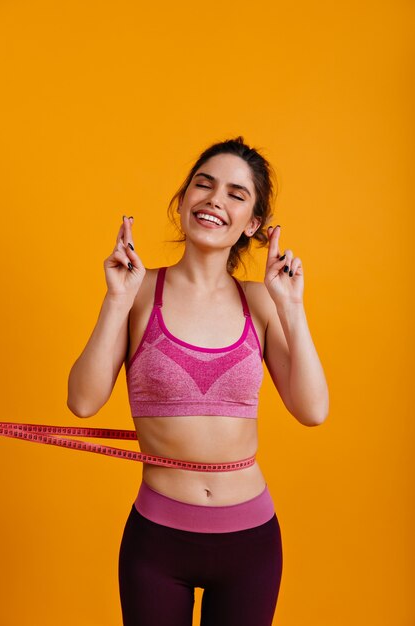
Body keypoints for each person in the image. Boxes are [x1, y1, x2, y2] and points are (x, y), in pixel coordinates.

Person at [67, 136, 329, 626]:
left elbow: (313, 410)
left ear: (253, 223)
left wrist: (292, 308)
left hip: (251, 541)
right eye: (203, 185)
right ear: (183, 200)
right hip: (158, 542)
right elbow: (82, 402)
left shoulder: (262, 302)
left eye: (236, 193)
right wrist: (115, 301)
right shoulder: (138, 289)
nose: (214, 200)